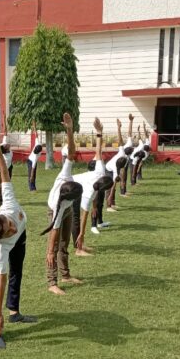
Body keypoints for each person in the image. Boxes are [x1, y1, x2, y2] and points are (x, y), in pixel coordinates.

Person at [0, 123, 36, 350]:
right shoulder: (1, 247)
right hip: (7, 248)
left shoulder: (9, 203)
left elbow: (3, 171)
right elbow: (2, 282)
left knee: (18, 272)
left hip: (22, 241)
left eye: (9, 224)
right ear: (2, 237)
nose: (12, 227)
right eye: (8, 231)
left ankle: (14, 312)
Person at [42, 113, 84, 295]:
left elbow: (72, 154)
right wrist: (50, 251)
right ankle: (52, 282)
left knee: (65, 243)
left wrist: (69, 130)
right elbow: (54, 231)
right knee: (56, 246)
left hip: (65, 212)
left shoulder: (65, 177)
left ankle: (65, 275)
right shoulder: (58, 207)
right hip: (56, 214)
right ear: (70, 199)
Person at [71, 118, 113, 256]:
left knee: (78, 217)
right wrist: (82, 233)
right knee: (76, 218)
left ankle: (80, 245)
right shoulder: (89, 193)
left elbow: (98, 150)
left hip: (77, 187)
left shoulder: (100, 172)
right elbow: (84, 216)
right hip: (70, 187)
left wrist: (99, 132)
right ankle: (78, 248)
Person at [106, 115, 134, 210]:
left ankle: (112, 203)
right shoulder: (121, 154)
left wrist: (130, 121)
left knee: (116, 184)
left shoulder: (126, 150)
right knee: (110, 187)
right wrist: (118, 128)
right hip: (108, 169)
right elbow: (114, 183)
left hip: (117, 167)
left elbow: (128, 134)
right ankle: (108, 205)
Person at [26, 126, 43, 192]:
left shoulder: (38, 144)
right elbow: (33, 170)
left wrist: (35, 127)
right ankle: (31, 188)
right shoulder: (35, 157)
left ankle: (33, 187)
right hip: (30, 161)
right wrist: (32, 176)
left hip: (32, 161)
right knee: (31, 175)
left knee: (34, 175)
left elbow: (36, 135)